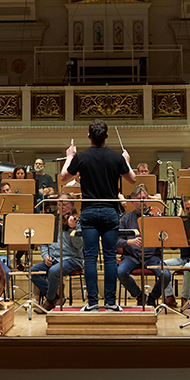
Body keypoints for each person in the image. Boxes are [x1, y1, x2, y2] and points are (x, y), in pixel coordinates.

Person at [61, 118, 135, 312]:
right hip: (110, 212)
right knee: (110, 258)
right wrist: (127, 161)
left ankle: (92, 303)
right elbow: (133, 180)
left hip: (89, 212)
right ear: (107, 136)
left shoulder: (82, 157)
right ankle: (111, 303)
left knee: (91, 258)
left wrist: (70, 156)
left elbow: (63, 177)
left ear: (89, 136)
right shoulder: (116, 157)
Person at [117, 186, 174, 308]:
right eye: (138, 199)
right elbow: (116, 241)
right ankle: (140, 296)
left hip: (152, 257)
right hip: (131, 257)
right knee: (120, 272)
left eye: (144, 198)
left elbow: (167, 237)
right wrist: (129, 242)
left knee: (166, 275)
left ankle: (152, 298)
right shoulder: (126, 218)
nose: (142, 201)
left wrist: (156, 225)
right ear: (132, 201)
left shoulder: (155, 216)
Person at [30, 194, 84, 308]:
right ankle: (55, 297)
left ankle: (49, 301)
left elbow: (79, 246)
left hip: (72, 259)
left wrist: (73, 228)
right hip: (54, 258)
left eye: (64, 204)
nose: (61, 207)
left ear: (71, 206)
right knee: (33, 272)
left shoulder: (77, 222)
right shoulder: (52, 221)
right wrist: (46, 256)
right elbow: (44, 243)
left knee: (54, 271)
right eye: (59, 204)